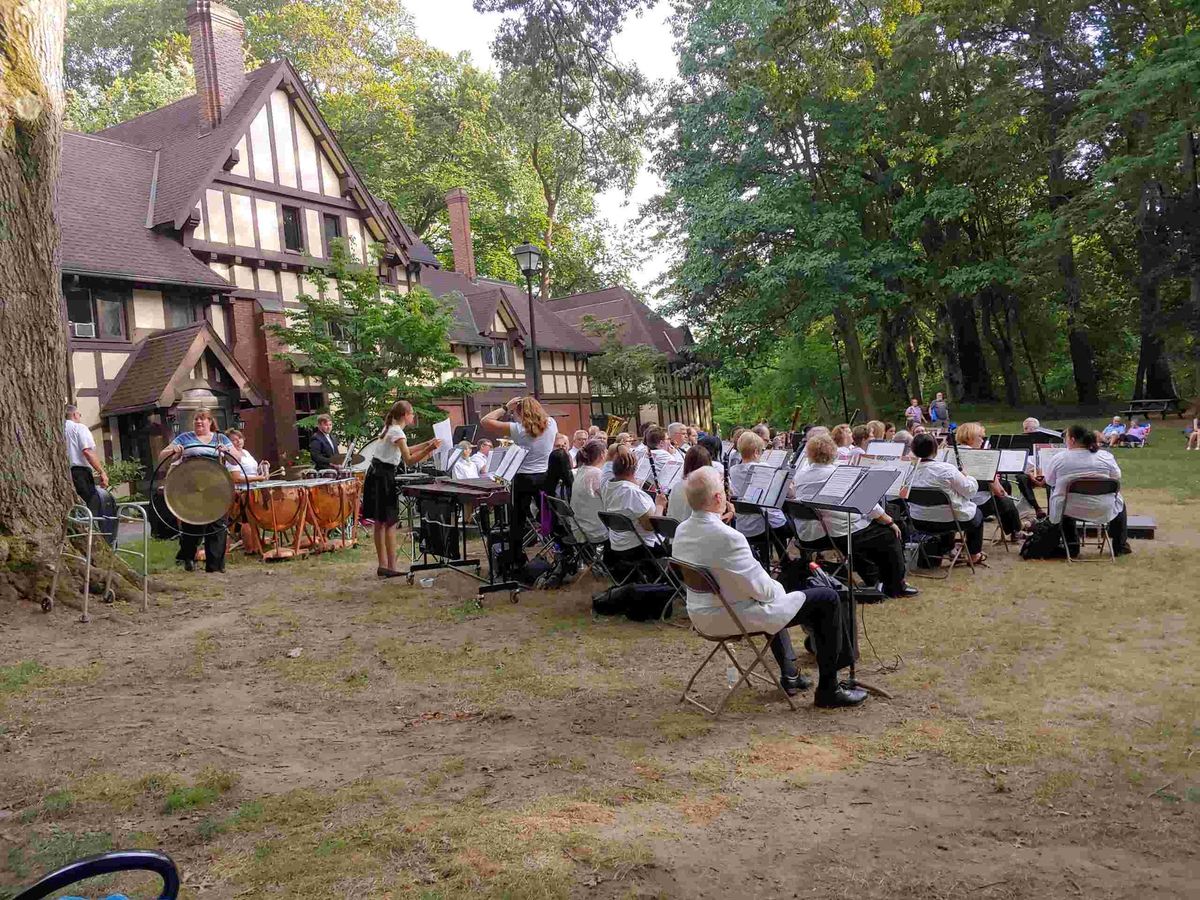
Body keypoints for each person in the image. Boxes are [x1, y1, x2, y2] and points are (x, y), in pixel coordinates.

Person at [673, 468, 867, 708]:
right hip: (732, 616)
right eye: (723, 490)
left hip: (703, 612)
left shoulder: (682, 530)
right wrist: (781, 589)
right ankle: (829, 689)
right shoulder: (729, 537)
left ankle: (792, 674)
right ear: (717, 499)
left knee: (787, 590)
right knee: (827, 598)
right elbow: (766, 593)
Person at [791, 434, 917, 598]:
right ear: (832, 453)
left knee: (864, 532)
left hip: (808, 535)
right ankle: (895, 586)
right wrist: (889, 521)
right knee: (888, 534)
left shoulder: (801, 474)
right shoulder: (836, 473)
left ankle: (872, 578)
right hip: (836, 534)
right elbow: (867, 502)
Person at [363, 400, 441, 577]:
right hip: (383, 477)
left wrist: (426, 443)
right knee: (390, 522)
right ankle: (391, 567)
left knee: (380, 523)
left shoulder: (390, 429)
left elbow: (404, 450)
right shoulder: (397, 431)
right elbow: (409, 459)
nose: (413, 416)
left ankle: (383, 565)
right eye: (412, 413)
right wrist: (430, 448)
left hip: (375, 475)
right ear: (406, 415)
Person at [480, 396, 558, 569]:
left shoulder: (518, 429)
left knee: (518, 521)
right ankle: (561, 551)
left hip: (523, 477)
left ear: (521, 412)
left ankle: (516, 559)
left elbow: (485, 421)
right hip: (543, 477)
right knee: (548, 516)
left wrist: (506, 407)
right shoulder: (552, 423)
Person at [157, 408, 238, 573]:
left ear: (210, 422)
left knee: (217, 523)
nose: (199, 422)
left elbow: (236, 459)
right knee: (191, 524)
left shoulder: (220, 438)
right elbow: (162, 456)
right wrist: (174, 451)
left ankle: (215, 566)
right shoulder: (184, 438)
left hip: (216, 485)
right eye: (196, 420)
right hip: (190, 485)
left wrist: (227, 450)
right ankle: (188, 557)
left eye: (202, 419)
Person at [1033, 424, 1130, 556]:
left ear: (1072, 440)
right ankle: (1120, 545)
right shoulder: (1105, 456)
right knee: (1119, 503)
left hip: (1069, 508)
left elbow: (1050, 481)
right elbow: (1116, 477)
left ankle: (1072, 546)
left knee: (1062, 500)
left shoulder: (1059, 458)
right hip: (1103, 506)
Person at [907, 432, 987, 566]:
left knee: (945, 509)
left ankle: (949, 549)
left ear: (913, 450)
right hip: (951, 521)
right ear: (935, 449)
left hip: (918, 521)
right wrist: (968, 477)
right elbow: (970, 491)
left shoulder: (908, 470)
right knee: (977, 515)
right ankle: (974, 555)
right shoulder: (946, 469)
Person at [601, 445, 668, 572]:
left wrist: (621, 447)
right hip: (640, 547)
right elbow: (650, 526)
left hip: (618, 544)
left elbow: (610, 453)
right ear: (634, 470)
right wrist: (660, 505)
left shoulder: (606, 483)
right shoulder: (632, 493)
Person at [728, 431, 790, 564]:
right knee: (787, 523)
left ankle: (779, 562)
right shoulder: (764, 468)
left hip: (743, 525)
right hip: (763, 526)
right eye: (762, 451)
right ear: (756, 451)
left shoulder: (733, 470)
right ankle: (787, 564)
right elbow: (781, 493)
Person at [955, 422, 1022, 537]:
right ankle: (1016, 530)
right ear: (970, 438)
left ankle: (1013, 528)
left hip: (955, 501)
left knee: (1005, 485)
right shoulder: (981, 456)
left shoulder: (951, 452)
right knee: (1006, 502)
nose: (982, 440)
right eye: (980, 437)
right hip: (975, 503)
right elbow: (999, 492)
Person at [667, 445, 734, 523]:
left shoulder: (676, 486)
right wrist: (730, 513)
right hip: (695, 533)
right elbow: (712, 524)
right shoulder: (704, 490)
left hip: (676, 532)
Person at [64, 403, 108, 508]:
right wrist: (101, 472)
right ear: (75, 414)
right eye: (79, 414)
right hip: (80, 473)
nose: (80, 417)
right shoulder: (79, 428)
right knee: (88, 503)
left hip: (63, 472)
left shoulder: (59, 429)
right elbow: (87, 451)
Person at [570, 439, 609, 546]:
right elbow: (610, 500)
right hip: (595, 531)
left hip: (580, 527)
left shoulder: (581, 470)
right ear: (602, 454)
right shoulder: (596, 473)